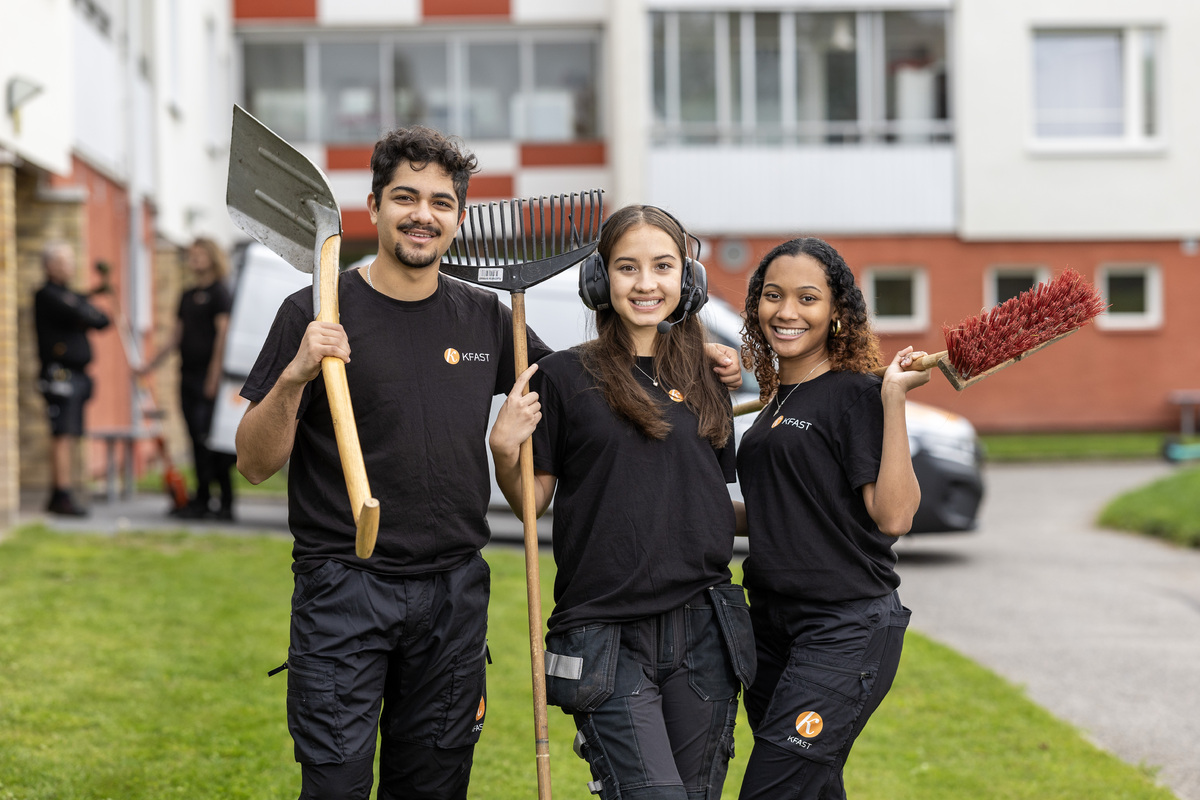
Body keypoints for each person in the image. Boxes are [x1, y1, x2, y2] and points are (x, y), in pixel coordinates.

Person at [234, 129, 745, 800]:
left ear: (460, 218)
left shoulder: (482, 316)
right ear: (373, 205)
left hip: (452, 590)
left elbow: (579, 386)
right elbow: (253, 462)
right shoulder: (316, 312)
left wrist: (682, 364)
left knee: (437, 785)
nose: (423, 215)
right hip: (344, 586)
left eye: (441, 202)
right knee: (334, 783)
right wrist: (298, 373)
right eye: (405, 197)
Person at [489, 204, 756, 800]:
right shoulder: (562, 377)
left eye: (662, 267)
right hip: (604, 633)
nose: (645, 283)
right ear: (599, 280)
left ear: (686, 281)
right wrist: (505, 453)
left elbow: (708, 499)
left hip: (703, 628)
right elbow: (531, 505)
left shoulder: (710, 377)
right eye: (627, 267)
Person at [733, 237, 930, 800]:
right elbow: (785, 511)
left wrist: (892, 400)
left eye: (807, 298)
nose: (786, 312)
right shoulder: (775, 402)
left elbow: (894, 515)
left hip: (843, 627)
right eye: (773, 296)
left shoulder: (856, 395)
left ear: (837, 313)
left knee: (772, 791)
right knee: (813, 789)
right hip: (770, 627)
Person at [139, 237, 236, 519]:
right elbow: (175, 336)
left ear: (212, 257)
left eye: (199, 255)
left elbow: (222, 336)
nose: (194, 260)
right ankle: (202, 498)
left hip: (209, 378)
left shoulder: (220, 293)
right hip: (188, 376)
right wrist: (150, 365)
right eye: (191, 255)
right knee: (194, 438)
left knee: (212, 440)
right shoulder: (187, 295)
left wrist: (214, 376)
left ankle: (226, 502)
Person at [34, 241, 111, 517]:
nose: (69, 266)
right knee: (63, 434)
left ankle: (66, 489)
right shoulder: (47, 295)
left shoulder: (70, 294)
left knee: (72, 433)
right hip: (60, 375)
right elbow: (80, 313)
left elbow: (102, 319)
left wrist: (85, 312)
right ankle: (61, 493)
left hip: (78, 376)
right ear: (49, 266)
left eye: (70, 260)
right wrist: (83, 313)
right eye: (62, 261)